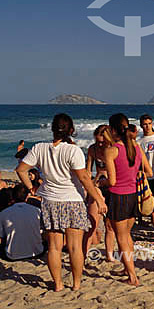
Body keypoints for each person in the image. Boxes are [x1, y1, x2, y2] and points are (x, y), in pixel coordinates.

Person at [15, 113, 107, 291]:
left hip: (50, 201)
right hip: (72, 201)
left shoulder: (39, 148)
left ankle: (58, 284)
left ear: (52, 129)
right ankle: (76, 284)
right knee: (74, 247)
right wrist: (97, 198)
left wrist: (31, 189)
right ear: (71, 130)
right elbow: (84, 179)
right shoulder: (73, 151)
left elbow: (21, 169)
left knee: (54, 247)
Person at [104, 113, 152, 286]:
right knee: (127, 236)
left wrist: (99, 181)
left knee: (121, 238)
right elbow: (149, 171)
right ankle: (127, 268)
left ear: (112, 129)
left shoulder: (112, 150)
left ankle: (132, 277)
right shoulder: (136, 147)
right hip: (133, 196)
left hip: (118, 196)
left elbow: (112, 181)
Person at [85, 125, 114, 259]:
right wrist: (88, 186)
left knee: (110, 225)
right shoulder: (93, 149)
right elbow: (88, 170)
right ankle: (83, 255)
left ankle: (109, 255)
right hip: (97, 186)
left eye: (102, 141)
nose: (100, 143)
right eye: (98, 141)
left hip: (112, 187)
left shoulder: (113, 150)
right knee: (92, 223)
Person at [0, 184, 45, 261]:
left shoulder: (4, 213)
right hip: (37, 252)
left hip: (12, 255)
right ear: (27, 196)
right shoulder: (37, 210)